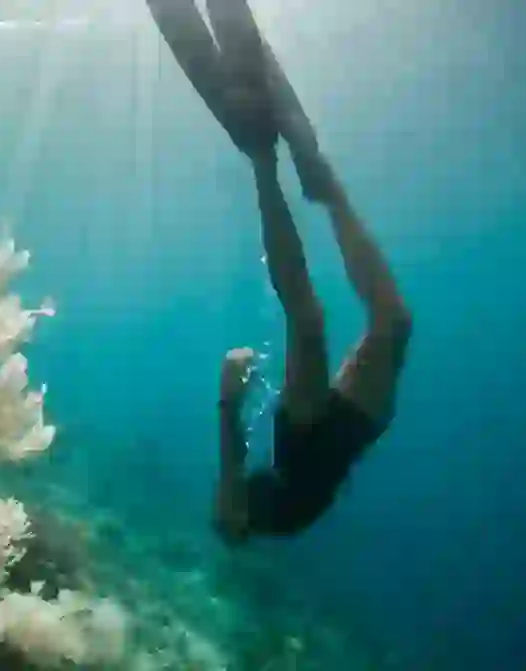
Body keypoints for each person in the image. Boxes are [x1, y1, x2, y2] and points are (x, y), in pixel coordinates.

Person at [145, 0, 414, 541]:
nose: (230, 509)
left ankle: (266, 164)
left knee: (309, 323)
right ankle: (323, 186)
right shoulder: (260, 520)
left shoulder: (239, 516)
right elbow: (232, 490)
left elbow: (228, 478)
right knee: (393, 324)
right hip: (343, 440)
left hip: (310, 439)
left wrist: (228, 399)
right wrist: (231, 403)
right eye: (236, 514)